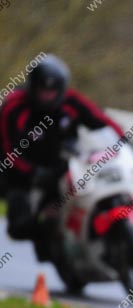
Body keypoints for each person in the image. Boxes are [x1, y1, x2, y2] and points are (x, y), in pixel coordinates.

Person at [0, 54, 126, 258]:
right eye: (43, 91)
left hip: (61, 164)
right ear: (32, 87)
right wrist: (34, 172)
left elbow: (100, 120)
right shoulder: (13, 106)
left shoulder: (71, 102)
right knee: (19, 227)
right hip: (19, 171)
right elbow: (8, 149)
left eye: (52, 92)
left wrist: (124, 140)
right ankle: (48, 241)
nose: (47, 96)